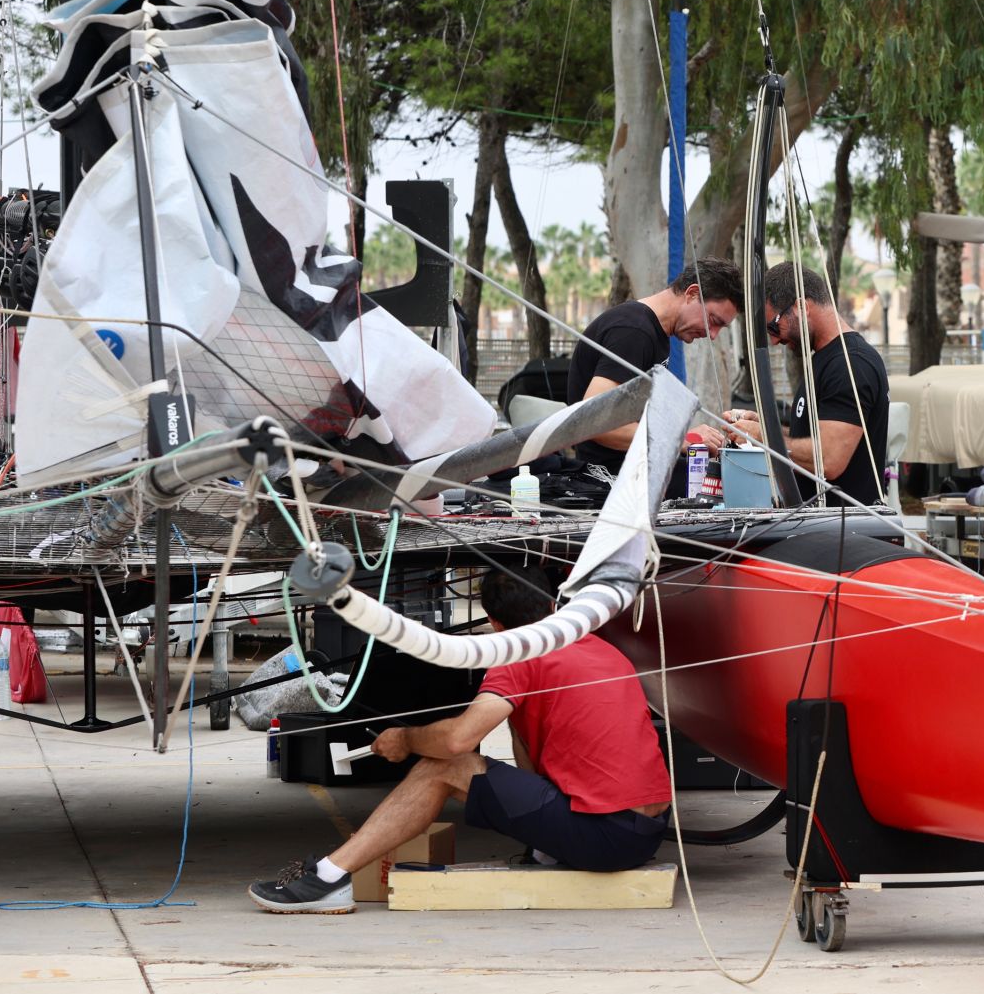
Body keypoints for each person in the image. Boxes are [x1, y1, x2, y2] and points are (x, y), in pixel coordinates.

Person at [248, 562, 672, 913]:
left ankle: (328, 878)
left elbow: (457, 741)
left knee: (444, 767)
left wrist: (406, 739)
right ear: (551, 603)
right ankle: (550, 847)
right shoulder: (599, 647)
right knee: (502, 742)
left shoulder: (519, 651)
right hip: (646, 830)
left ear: (494, 622)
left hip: (608, 837)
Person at [561, 258, 743, 482]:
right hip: (611, 478)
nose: (712, 334)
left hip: (637, 468)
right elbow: (592, 421)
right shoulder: (633, 331)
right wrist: (684, 439)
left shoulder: (657, 334)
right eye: (713, 320)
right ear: (692, 293)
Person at [726, 263, 890, 506]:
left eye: (774, 326)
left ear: (801, 306)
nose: (774, 340)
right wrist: (766, 427)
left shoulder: (850, 363)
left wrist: (764, 437)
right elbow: (811, 439)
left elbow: (829, 459)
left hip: (843, 531)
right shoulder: (824, 359)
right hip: (821, 527)